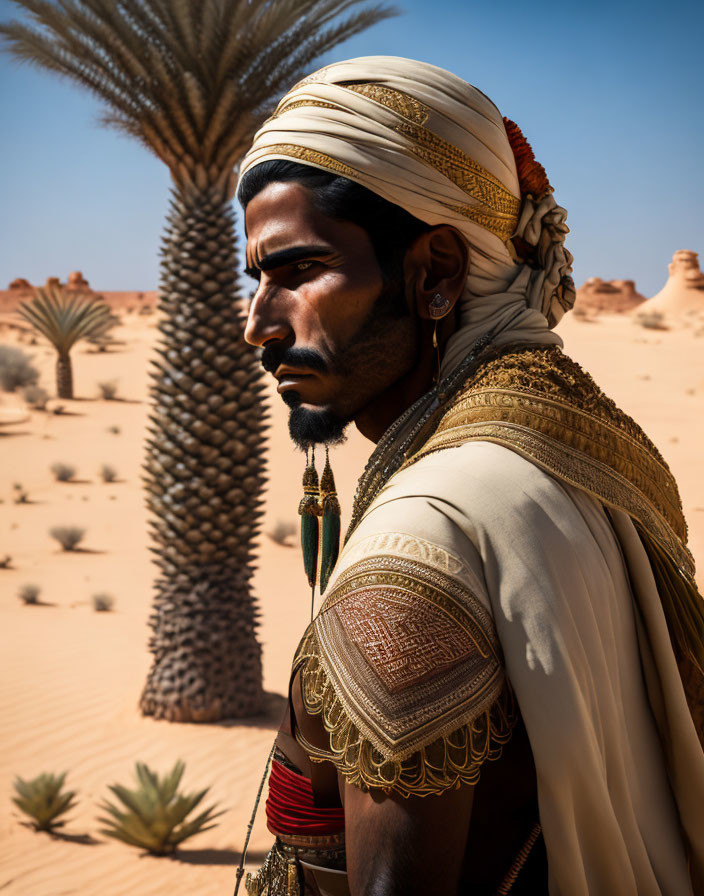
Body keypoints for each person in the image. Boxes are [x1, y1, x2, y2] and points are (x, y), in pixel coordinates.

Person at [236, 56, 704, 896]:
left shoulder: (417, 552)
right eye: (256, 279)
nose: (257, 325)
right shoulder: (590, 451)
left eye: (297, 271)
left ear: (437, 273)